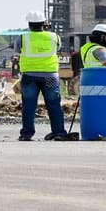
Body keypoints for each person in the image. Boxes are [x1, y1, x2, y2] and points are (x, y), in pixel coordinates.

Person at [16, 11, 68, 142]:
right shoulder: (54, 37)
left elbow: (17, 50)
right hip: (50, 76)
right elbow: (58, 48)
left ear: (29, 24)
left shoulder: (23, 38)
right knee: (54, 104)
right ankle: (59, 132)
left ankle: (26, 134)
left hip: (29, 76)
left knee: (29, 106)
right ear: (44, 23)